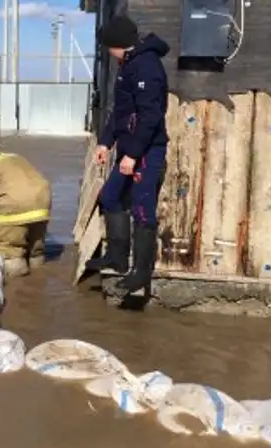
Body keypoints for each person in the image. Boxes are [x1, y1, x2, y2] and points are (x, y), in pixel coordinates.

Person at [84, 15, 170, 294]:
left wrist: (132, 154)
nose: (108, 52)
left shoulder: (147, 66)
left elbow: (150, 117)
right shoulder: (128, 65)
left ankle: (141, 273)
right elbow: (120, 113)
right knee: (110, 197)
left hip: (146, 149)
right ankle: (118, 257)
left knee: (142, 208)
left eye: (109, 46)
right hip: (128, 147)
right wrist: (105, 143)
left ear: (118, 44)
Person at [0, 143, 52, 277]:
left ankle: (18, 289)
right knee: (36, 252)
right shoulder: (15, 157)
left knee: (9, 251)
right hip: (43, 200)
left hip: (16, 203)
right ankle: (39, 282)